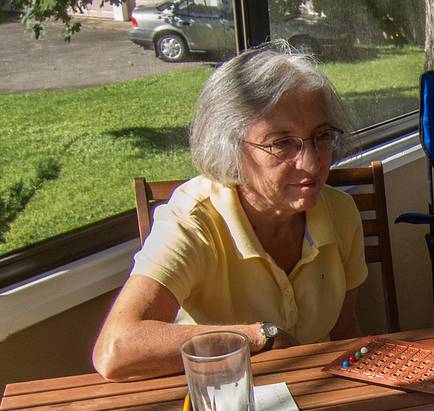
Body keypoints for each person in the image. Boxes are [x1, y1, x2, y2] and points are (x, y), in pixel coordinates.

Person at [93, 43, 367, 381]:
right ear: (230, 146)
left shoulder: (340, 213)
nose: (311, 163)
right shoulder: (192, 221)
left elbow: (345, 332)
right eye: (282, 143)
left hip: (319, 393)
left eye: (321, 136)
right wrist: (258, 337)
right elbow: (115, 349)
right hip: (225, 399)